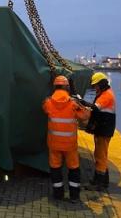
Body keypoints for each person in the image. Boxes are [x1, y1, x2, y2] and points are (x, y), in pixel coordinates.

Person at [42, 75, 90, 203]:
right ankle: (74, 196)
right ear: (67, 87)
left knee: (55, 168)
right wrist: (80, 101)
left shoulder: (48, 102)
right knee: (73, 168)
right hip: (70, 145)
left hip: (54, 144)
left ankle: (58, 194)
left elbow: (45, 109)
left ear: (54, 86)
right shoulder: (73, 103)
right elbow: (85, 116)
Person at [80, 72, 117, 190]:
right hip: (103, 129)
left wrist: (82, 103)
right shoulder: (104, 93)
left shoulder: (107, 95)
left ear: (101, 84)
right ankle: (102, 181)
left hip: (104, 130)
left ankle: (99, 184)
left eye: (96, 85)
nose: (94, 88)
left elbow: (95, 108)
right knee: (100, 155)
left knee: (100, 156)